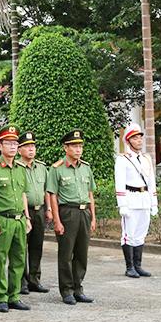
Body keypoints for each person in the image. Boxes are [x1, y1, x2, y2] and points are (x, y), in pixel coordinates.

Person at [0, 125, 30, 312]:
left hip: (19, 220)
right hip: (2, 219)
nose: (12, 146)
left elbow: (23, 194)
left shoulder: (20, 168)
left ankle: (14, 296)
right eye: (8, 143)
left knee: (18, 259)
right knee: (0, 260)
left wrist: (27, 217)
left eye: (15, 143)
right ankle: (1, 297)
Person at [47, 129, 97, 304]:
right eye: (74, 146)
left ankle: (78, 288)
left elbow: (90, 193)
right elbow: (53, 195)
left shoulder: (86, 168)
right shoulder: (57, 169)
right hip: (67, 212)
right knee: (66, 254)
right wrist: (57, 220)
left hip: (84, 212)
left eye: (80, 146)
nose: (78, 149)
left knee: (82, 253)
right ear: (65, 148)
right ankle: (66, 290)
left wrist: (93, 217)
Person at [115, 123, 157, 278]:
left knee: (141, 233)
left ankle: (138, 265)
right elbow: (119, 182)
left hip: (144, 198)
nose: (139, 140)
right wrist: (122, 204)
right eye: (135, 137)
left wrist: (154, 202)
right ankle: (129, 266)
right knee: (129, 234)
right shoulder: (122, 159)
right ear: (128, 140)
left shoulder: (146, 158)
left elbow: (151, 181)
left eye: (140, 137)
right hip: (130, 198)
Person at [18, 131, 51, 295]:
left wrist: (49, 209)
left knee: (37, 246)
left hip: (40, 210)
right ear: (19, 150)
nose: (31, 149)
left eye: (33, 146)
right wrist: (25, 214)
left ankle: (34, 280)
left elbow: (46, 190)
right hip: (24, 211)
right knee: (21, 247)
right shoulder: (16, 167)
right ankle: (21, 281)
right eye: (27, 146)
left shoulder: (42, 167)